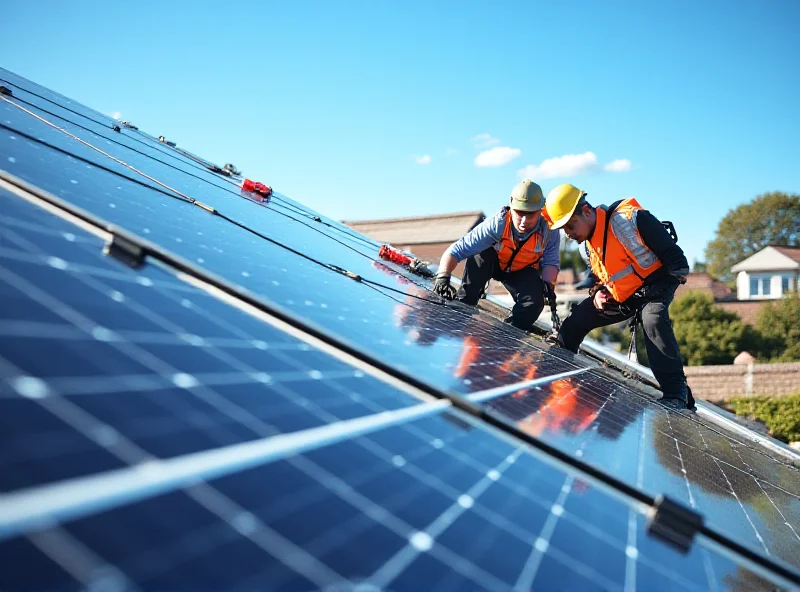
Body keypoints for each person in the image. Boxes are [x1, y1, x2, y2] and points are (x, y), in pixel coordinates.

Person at [542, 183, 694, 410]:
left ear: (586, 211)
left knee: (652, 320)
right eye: (565, 231)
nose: (569, 235)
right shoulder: (589, 241)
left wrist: (655, 293)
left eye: (571, 226)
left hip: (656, 288)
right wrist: (597, 293)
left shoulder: (631, 219)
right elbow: (601, 275)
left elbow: (678, 265)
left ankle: (676, 395)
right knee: (580, 316)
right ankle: (556, 362)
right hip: (624, 295)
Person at [432, 179, 560, 331]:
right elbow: (456, 250)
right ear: (511, 207)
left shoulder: (549, 230)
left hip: (521, 270)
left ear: (540, 210)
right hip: (492, 263)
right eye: (519, 213)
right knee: (480, 254)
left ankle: (506, 332)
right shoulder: (497, 224)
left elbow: (551, 263)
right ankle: (462, 309)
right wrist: (443, 276)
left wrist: (548, 287)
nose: (524, 221)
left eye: (530, 214)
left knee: (534, 303)